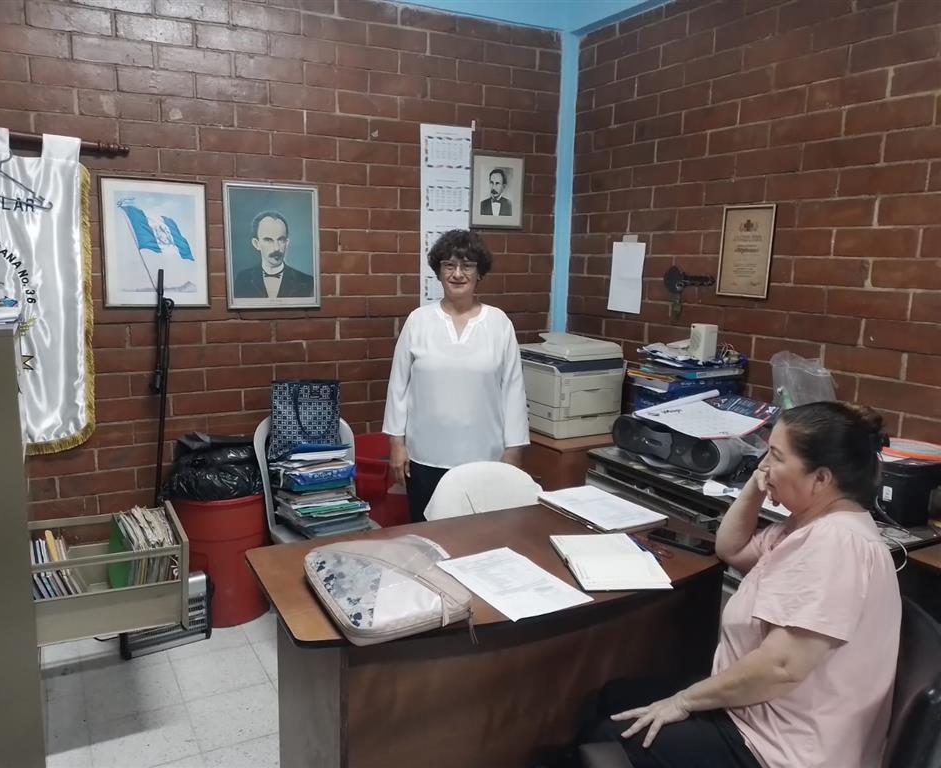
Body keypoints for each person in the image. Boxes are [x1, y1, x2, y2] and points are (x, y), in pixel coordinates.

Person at [540, 401, 901, 768]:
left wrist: (684, 701)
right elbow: (732, 548)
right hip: (755, 711)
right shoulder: (804, 525)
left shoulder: (837, 545)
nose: (764, 465)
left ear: (820, 479)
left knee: (611, 736)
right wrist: (756, 485)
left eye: (776, 457)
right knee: (613, 697)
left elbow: (781, 667)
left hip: (780, 748)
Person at [383, 229, 529, 523]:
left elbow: (513, 391)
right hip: (424, 458)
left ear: (479, 273)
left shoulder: (498, 323)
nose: (458, 274)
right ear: (438, 272)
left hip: (485, 459)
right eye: (449, 265)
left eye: (467, 266)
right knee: (428, 536)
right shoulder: (418, 321)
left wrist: (513, 452)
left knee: (481, 537)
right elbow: (398, 386)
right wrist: (396, 445)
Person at [234, 211, 314, 299]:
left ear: (287, 243)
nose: (276, 248)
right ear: (256, 244)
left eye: (281, 240)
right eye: (268, 240)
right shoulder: (242, 279)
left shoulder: (307, 282)